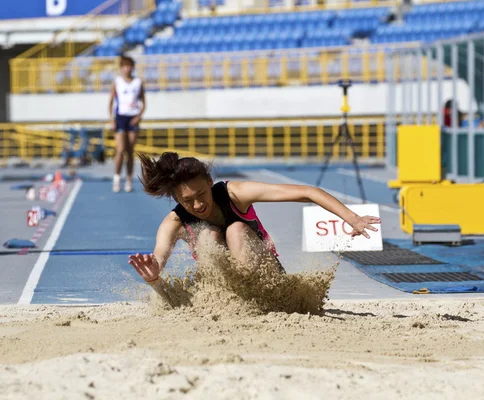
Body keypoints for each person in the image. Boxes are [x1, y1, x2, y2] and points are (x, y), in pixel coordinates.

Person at [128, 152, 381, 291]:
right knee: (208, 236)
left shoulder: (234, 193)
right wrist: (153, 275)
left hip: (267, 281)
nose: (197, 205)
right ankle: (226, 297)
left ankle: (248, 293)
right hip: (222, 290)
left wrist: (353, 218)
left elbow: (308, 192)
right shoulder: (173, 221)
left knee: (236, 229)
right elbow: (159, 258)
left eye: (201, 195)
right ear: (176, 199)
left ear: (209, 181)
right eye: (187, 201)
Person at [108, 56, 146, 193]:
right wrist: (112, 119)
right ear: (121, 68)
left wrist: (138, 116)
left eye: (129, 66)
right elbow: (111, 102)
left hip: (133, 117)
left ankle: (129, 179)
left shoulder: (138, 82)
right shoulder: (117, 82)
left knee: (130, 151)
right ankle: (117, 178)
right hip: (120, 117)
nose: (127, 69)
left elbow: (144, 103)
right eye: (124, 66)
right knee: (120, 149)